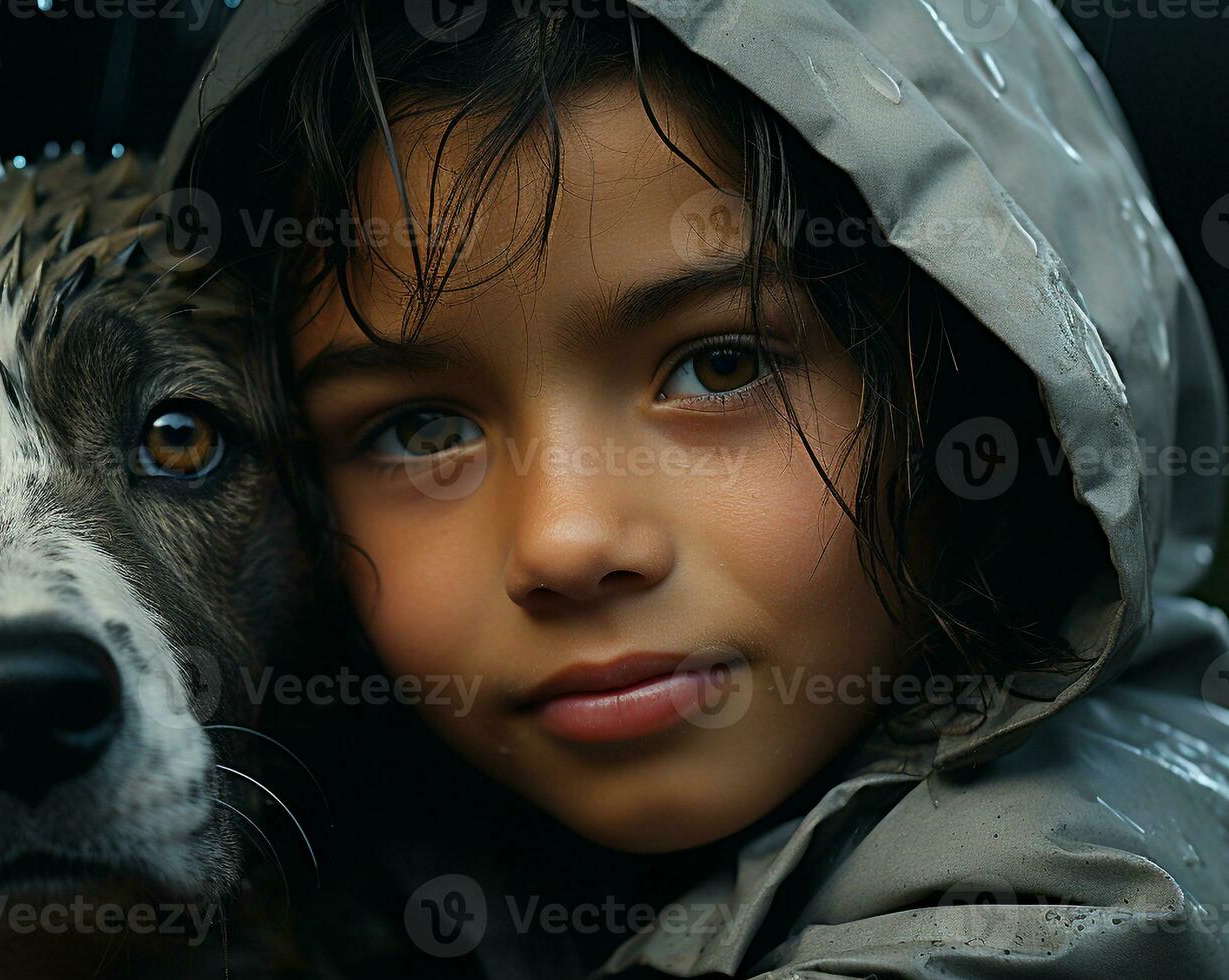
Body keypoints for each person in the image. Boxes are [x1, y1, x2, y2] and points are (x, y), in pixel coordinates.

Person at [161, 1, 1229, 976]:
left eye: (717, 366)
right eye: (420, 428)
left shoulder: (1066, 914)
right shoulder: (421, 875)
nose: (565, 539)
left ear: (983, 375)